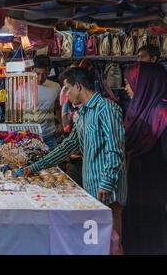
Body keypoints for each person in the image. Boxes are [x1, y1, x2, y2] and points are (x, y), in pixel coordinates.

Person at [24, 67, 126, 254]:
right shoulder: (81, 114)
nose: (66, 94)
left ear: (78, 86)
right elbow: (68, 145)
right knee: (99, 243)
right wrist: (36, 166)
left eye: (68, 89)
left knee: (113, 242)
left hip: (107, 187)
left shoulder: (107, 109)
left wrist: (107, 182)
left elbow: (115, 149)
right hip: (92, 185)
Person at [122, 63, 167, 255]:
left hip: (156, 190)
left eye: (129, 83)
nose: (126, 88)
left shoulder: (162, 114)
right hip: (137, 185)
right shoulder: (140, 109)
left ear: (143, 83)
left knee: (152, 235)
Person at [33, 55, 62, 150]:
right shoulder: (22, 87)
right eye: (37, 74)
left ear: (49, 71)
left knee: (54, 163)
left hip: (49, 134)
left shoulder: (56, 87)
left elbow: (58, 107)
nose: (40, 78)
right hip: (30, 136)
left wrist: (60, 124)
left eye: (44, 74)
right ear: (33, 70)